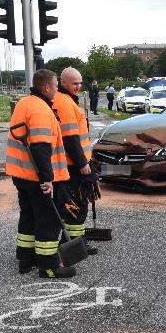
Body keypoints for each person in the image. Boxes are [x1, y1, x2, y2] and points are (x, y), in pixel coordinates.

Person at [6, 69, 75, 278]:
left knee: (28, 216)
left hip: (21, 174)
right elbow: (40, 147)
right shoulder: (41, 110)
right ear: (46, 87)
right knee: (48, 220)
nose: (57, 89)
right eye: (55, 86)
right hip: (38, 177)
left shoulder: (24, 103)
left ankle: (26, 260)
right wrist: (48, 180)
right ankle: (49, 265)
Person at [52, 67, 99, 255]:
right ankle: (75, 244)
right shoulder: (64, 103)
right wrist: (83, 164)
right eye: (75, 83)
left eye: (80, 83)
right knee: (78, 206)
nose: (78, 86)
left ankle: (73, 241)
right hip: (74, 166)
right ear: (63, 83)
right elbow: (70, 139)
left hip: (73, 163)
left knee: (74, 206)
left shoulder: (66, 100)